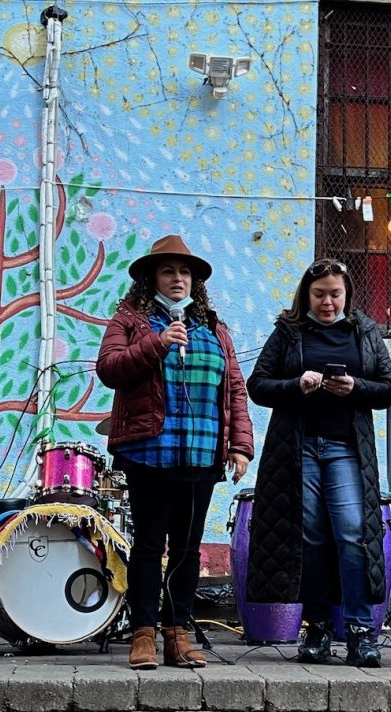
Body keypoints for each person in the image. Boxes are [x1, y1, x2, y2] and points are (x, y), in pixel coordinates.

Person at [96, 234, 254, 670]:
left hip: (201, 453)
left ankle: (177, 634)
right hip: (149, 452)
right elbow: (109, 369)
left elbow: (234, 388)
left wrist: (240, 445)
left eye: (185, 272)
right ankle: (143, 634)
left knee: (187, 549)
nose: (178, 278)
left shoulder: (214, 329)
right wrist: (158, 342)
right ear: (152, 279)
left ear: (195, 282)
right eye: (168, 271)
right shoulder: (131, 320)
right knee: (149, 545)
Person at [246, 258, 391, 668]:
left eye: (335, 294)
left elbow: (389, 388)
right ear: (306, 295)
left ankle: (360, 631)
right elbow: (257, 385)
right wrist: (296, 385)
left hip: (347, 447)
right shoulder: (288, 331)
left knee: (352, 532)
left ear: (347, 294)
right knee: (310, 536)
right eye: (319, 294)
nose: (328, 302)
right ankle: (317, 628)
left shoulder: (365, 331)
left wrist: (355, 387)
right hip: (298, 449)